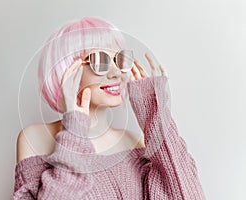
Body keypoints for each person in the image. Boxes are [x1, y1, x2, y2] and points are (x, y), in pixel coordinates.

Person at [11, 17, 206, 199]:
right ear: (67, 71)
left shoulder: (134, 142)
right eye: (100, 61)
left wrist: (155, 116)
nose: (116, 73)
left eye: (119, 60)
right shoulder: (35, 139)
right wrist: (75, 129)